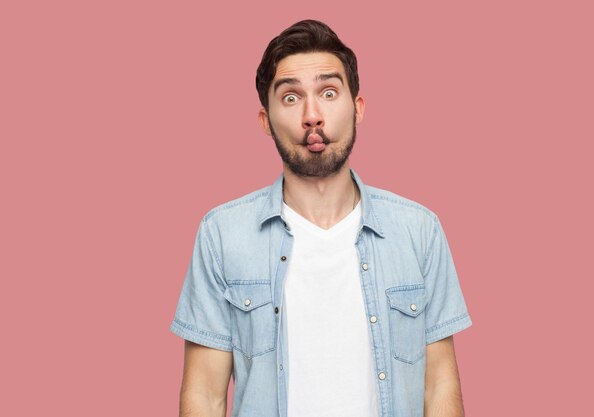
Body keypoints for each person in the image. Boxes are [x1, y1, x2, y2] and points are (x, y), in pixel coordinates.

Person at [170, 19, 472, 417]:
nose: (312, 115)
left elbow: (439, 385)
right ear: (265, 121)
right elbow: (205, 396)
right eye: (291, 98)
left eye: (329, 92)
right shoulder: (222, 235)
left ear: (357, 108)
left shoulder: (419, 231)